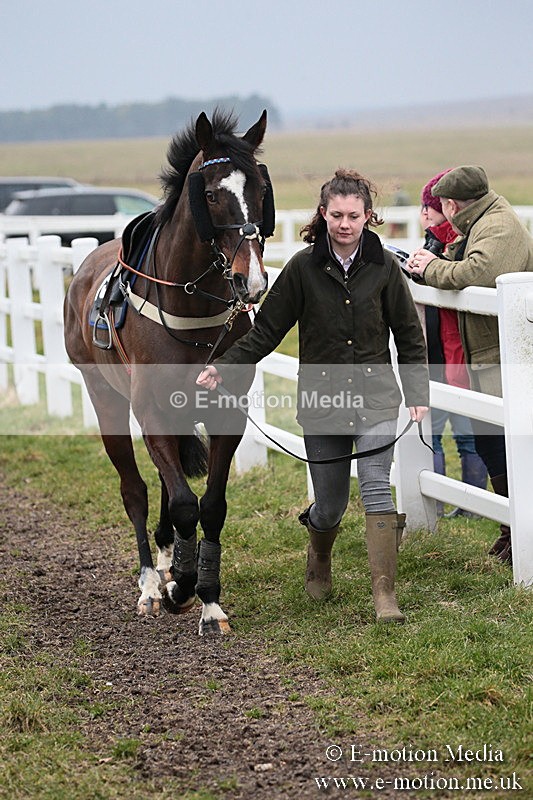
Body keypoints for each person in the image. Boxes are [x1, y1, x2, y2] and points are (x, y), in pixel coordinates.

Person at [197, 169, 429, 623]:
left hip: (377, 398)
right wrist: (223, 366)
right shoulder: (303, 268)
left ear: (368, 216)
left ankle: (385, 596)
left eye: (354, 216)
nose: (345, 224)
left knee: (377, 487)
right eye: (337, 215)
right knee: (331, 505)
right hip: (323, 403)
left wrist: (417, 392)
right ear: (323, 214)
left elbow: (408, 334)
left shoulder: (384, 266)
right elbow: (266, 331)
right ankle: (319, 553)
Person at [407, 165, 533, 564]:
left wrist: (430, 268)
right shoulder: (483, 222)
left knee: (504, 443)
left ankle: (519, 531)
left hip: (503, 356)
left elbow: (479, 272)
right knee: (490, 442)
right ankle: (512, 528)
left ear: (451, 204)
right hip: (491, 354)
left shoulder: (498, 226)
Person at [419, 170, 488, 517]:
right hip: (456, 349)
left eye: (428, 207)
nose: (424, 214)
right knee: (466, 431)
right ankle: (472, 505)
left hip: (443, 348)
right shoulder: (461, 239)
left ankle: (438, 503)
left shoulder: (443, 242)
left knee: (436, 432)